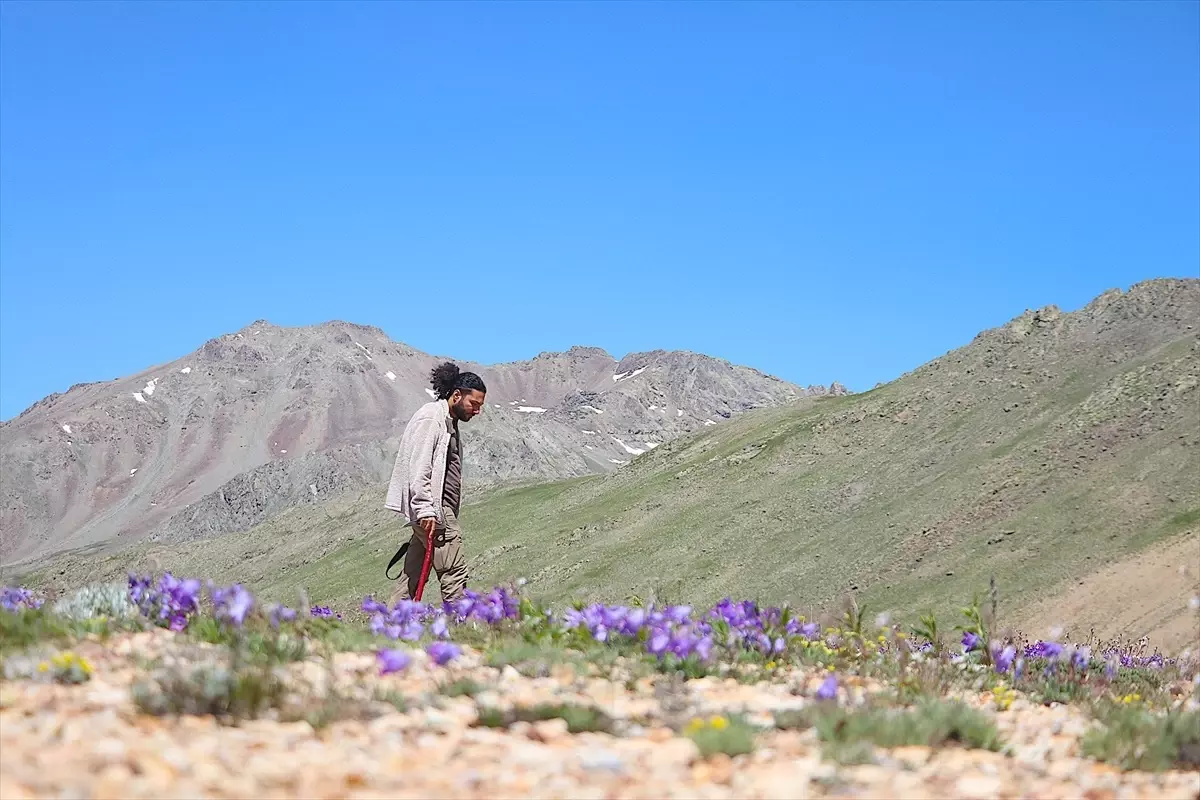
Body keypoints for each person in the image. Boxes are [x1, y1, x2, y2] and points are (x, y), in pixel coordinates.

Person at [384, 361, 486, 605]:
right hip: (434, 512)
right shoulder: (431, 419)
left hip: (432, 511)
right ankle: (459, 631)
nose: (477, 411)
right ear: (457, 395)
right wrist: (426, 509)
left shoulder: (447, 421)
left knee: (412, 576)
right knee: (454, 572)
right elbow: (420, 467)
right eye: (474, 404)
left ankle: (390, 627)